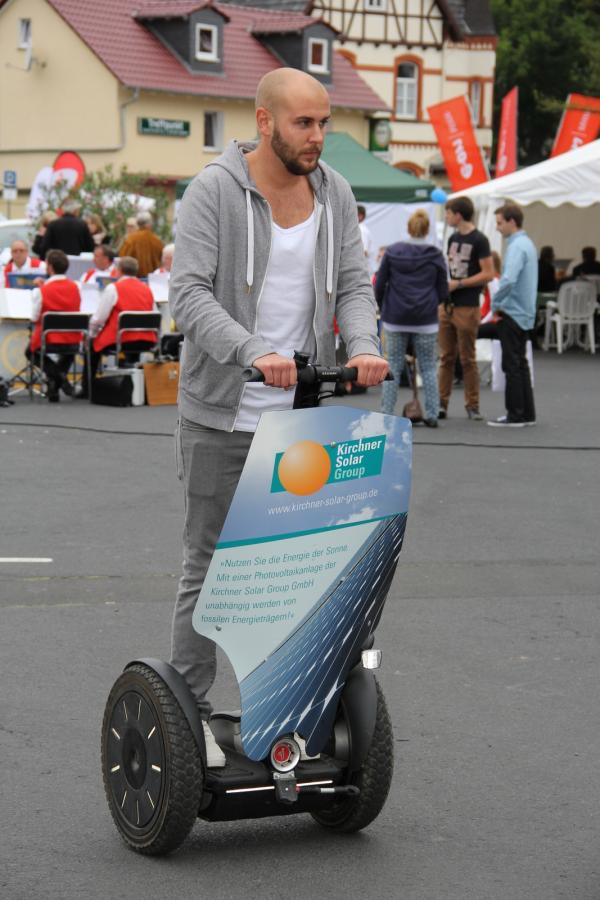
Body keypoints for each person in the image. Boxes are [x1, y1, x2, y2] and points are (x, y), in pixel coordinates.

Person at [168, 67, 387, 719]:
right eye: (304, 123)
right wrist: (252, 351)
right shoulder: (214, 190)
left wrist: (363, 345)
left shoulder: (334, 191)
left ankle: (297, 702)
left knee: (310, 566)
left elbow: (353, 285)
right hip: (223, 415)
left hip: (302, 418)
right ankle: (187, 713)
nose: (318, 136)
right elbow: (189, 295)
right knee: (209, 566)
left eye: (324, 123)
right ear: (265, 122)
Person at [375, 209, 447, 427]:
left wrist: (383, 306)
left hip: (395, 318)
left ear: (408, 228)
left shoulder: (393, 252)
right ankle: (432, 413)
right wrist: (432, 303)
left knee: (393, 366)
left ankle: (387, 412)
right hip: (425, 319)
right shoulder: (435, 255)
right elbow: (443, 289)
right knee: (428, 367)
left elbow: (380, 283)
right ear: (427, 229)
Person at [439, 196, 494, 420]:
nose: (446, 216)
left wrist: (459, 284)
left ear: (458, 215)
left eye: (448, 213)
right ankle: (441, 404)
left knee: (467, 358)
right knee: (446, 357)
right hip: (447, 305)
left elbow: (488, 273)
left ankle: (472, 405)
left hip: (467, 306)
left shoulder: (480, 239)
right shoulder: (452, 238)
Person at [486, 203, 537, 427]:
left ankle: (515, 414)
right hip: (524, 312)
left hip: (513, 312)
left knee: (512, 365)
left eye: (500, 223)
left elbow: (508, 280)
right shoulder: (527, 244)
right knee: (520, 364)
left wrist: (496, 304)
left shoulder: (517, 247)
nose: (498, 227)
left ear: (511, 221)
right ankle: (527, 413)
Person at [87, 256, 157, 383]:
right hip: (146, 339)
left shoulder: (113, 288)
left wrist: (91, 334)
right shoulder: (147, 289)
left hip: (121, 340)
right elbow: (155, 315)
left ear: (119, 270)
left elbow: (99, 318)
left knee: (91, 347)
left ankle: (88, 386)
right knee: (132, 342)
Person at [25, 249, 81, 402]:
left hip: (49, 339)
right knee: (69, 352)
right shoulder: (76, 287)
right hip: (71, 338)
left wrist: (41, 289)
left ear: (49, 267)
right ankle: (58, 383)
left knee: (30, 352)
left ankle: (59, 379)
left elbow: (35, 317)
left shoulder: (42, 291)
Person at [117, 211, 164, 276]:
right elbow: (162, 260)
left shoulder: (131, 239)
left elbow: (122, 258)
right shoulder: (156, 241)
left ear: (138, 223)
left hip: (134, 276)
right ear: (149, 224)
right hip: (152, 278)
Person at [357, 205, 376, 277]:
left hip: (363, 272)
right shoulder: (361, 229)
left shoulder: (361, 230)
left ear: (360, 216)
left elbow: (363, 251)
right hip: (364, 270)